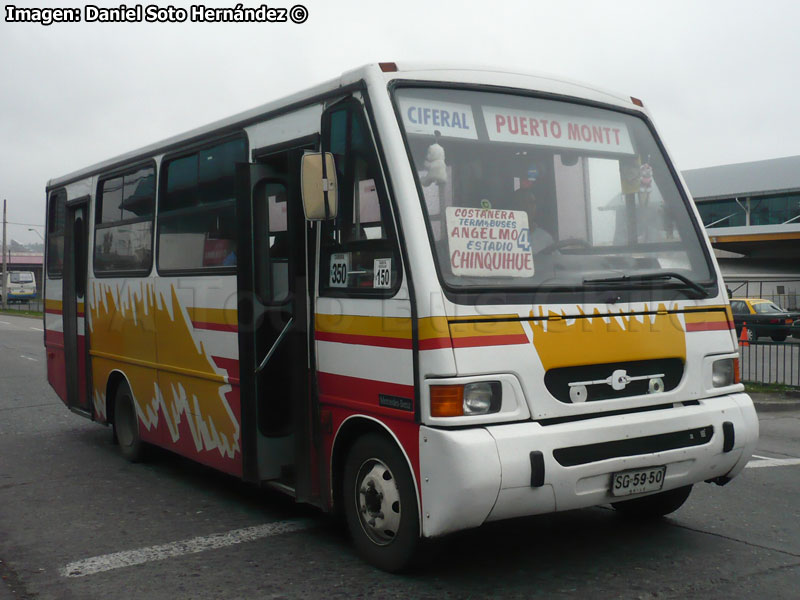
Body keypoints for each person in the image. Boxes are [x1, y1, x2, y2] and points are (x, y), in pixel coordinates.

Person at [509, 187, 554, 253]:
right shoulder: (504, 239)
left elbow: (557, 260)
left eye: (532, 203)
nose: (528, 207)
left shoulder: (545, 238)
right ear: (514, 207)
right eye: (523, 203)